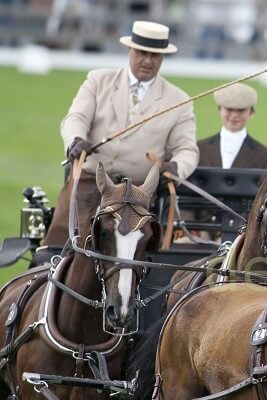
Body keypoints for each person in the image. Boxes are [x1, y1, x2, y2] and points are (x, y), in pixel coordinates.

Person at [44, 20, 199, 246]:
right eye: (142, 53)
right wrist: (75, 140)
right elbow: (76, 118)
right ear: (130, 50)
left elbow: (187, 150)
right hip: (90, 182)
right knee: (59, 243)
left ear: (162, 58)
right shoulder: (98, 80)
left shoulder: (179, 100)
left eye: (155, 55)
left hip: (138, 194)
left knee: (129, 251)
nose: (148, 61)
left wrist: (176, 167)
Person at [196, 83, 267, 171]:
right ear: (219, 109)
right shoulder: (197, 149)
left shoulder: (266, 156)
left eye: (241, 110)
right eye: (229, 109)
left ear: (251, 112)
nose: (234, 115)